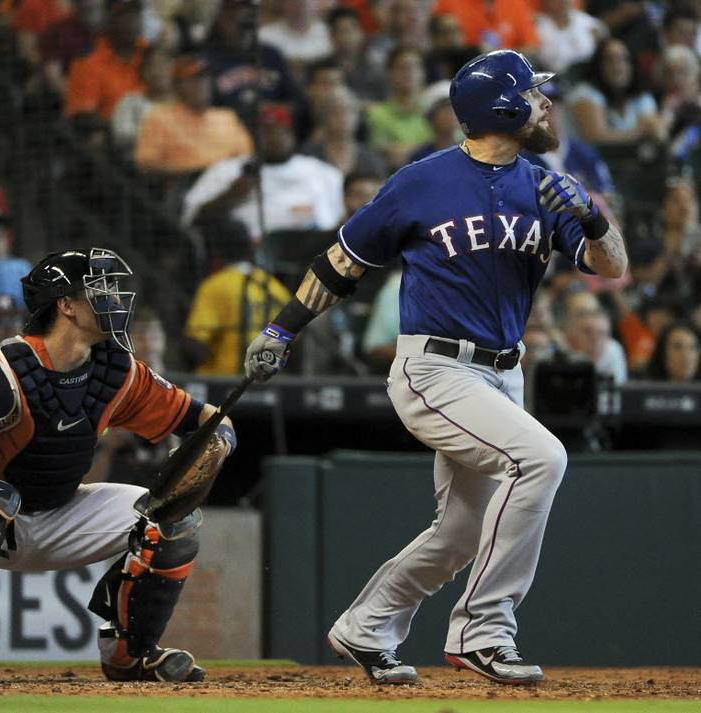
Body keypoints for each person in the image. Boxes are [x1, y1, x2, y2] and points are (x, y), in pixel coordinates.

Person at [244, 50, 628, 685]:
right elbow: (343, 263)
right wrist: (283, 327)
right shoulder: (423, 181)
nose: (546, 104)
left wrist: (589, 212)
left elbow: (610, 265)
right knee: (541, 458)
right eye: (535, 94)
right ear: (502, 108)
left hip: (504, 373)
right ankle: (483, 629)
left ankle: (366, 626)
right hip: (435, 368)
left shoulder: (542, 183)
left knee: (459, 533)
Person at [0, 248, 236, 684]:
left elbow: (208, 418)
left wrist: (223, 439)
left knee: (176, 520)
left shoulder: (118, 371)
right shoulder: (0, 370)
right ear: (66, 305)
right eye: (101, 289)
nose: (114, 298)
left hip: (56, 512)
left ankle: (129, 653)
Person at [181, 103, 344, 243]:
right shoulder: (226, 170)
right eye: (266, 131)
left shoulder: (323, 173)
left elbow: (340, 226)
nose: (275, 138)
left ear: (292, 134)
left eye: (281, 131)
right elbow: (192, 220)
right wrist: (231, 194)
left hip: (309, 252)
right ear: (254, 136)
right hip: (245, 252)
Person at [184, 219, 291, 375]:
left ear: (216, 252)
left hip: (221, 382)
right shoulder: (275, 288)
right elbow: (293, 342)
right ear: (250, 248)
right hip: (268, 383)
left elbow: (196, 344)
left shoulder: (214, 286)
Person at [134, 54, 253, 175]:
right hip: (185, 185)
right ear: (177, 86)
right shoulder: (159, 117)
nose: (202, 84)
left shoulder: (227, 117)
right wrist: (199, 173)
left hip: (230, 181)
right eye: (194, 79)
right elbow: (146, 165)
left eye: (205, 78)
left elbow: (246, 159)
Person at [566, 38, 665, 145]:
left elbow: (655, 131)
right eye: (610, 60)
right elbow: (596, 139)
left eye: (624, 59)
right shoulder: (584, 94)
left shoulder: (641, 95)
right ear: (598, 65)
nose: (618, 66)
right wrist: (638, 133)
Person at [64, 0, 148, 122]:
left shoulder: (150, 53)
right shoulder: (87, 62)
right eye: (125, 15)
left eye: (136, 15)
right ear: (109, 19)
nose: (133, 21)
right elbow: (82, 117)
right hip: (112, 135)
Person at [366, 48, 432, 172]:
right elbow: (385, 155)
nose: (410, 72)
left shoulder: (433, 109)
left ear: (423, 73)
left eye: (415, 66)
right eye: (403, 68)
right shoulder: (377, 114)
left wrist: (406, 150)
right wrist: (425, 146)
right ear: (390, 74)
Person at [533, 0, 606, 73]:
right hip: (558, 76)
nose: (562, 2)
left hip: (589, 70)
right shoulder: (541, 24)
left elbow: (602, 31)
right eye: (556, 1)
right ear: (547, 3)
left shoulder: (580, 18)